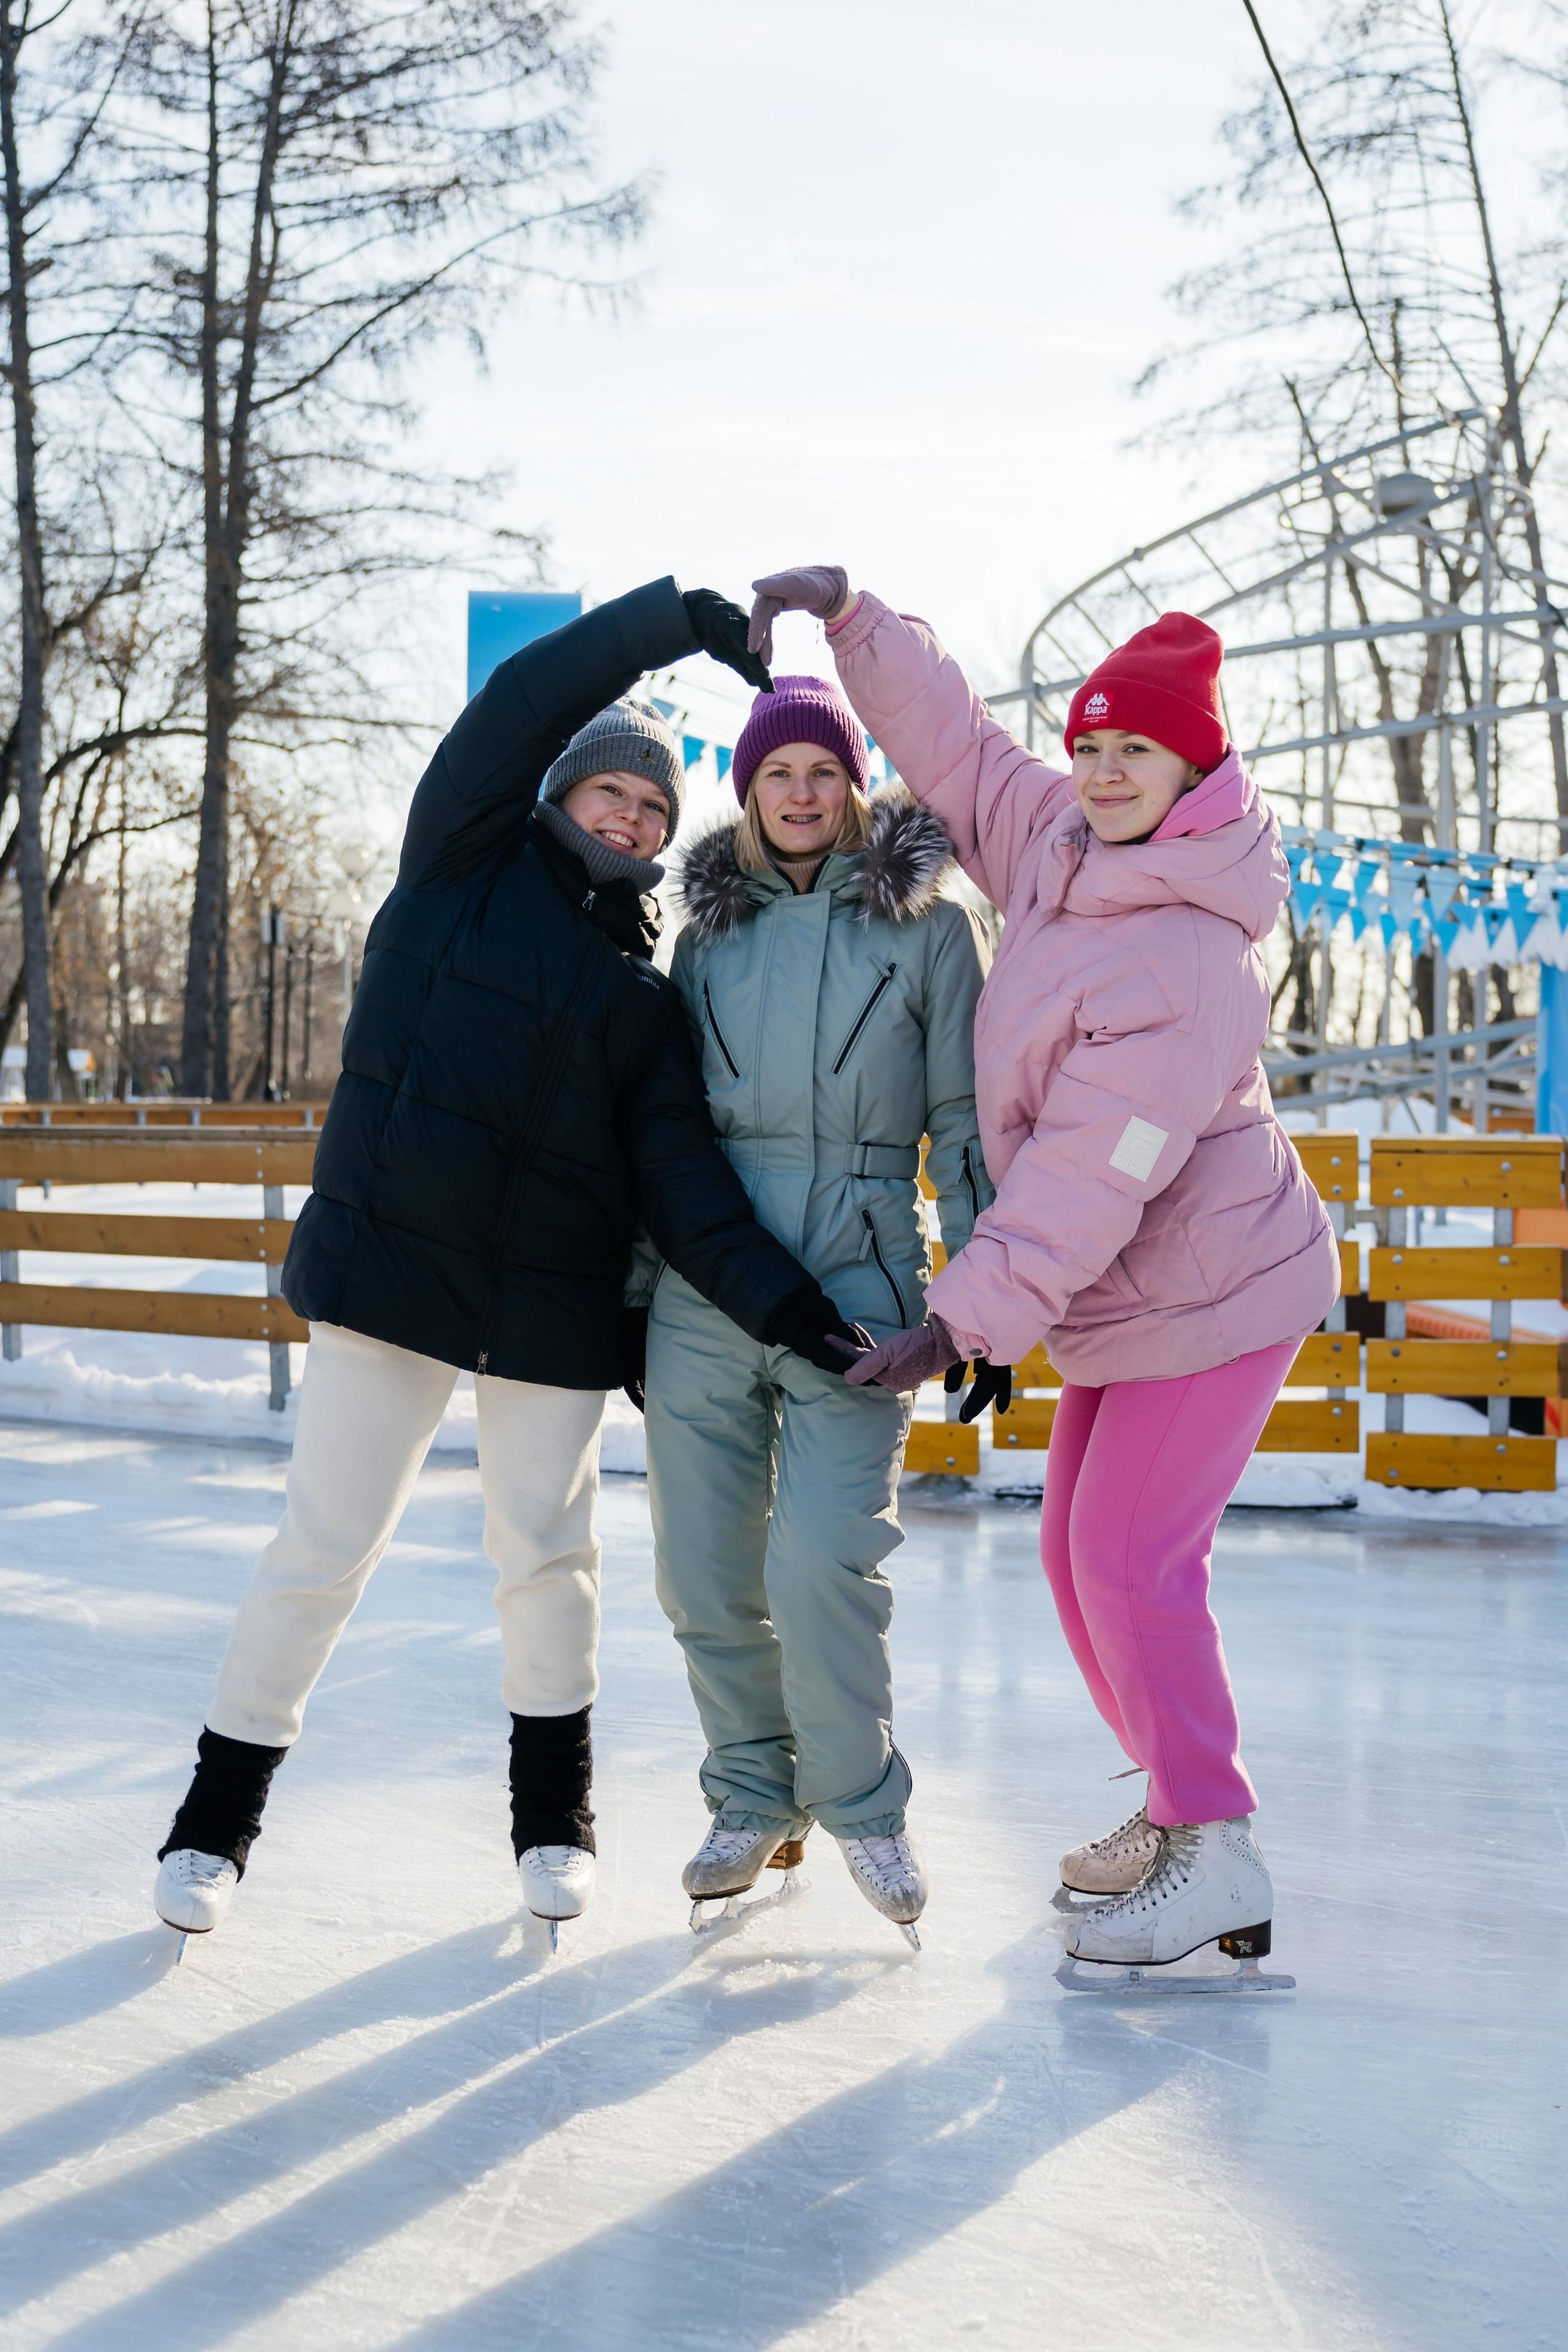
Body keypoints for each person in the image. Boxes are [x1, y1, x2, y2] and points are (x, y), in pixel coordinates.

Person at [153, 580, 867, 1947]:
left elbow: (685, 1189)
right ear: (561, 793)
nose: (633, 820)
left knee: (547, 1555)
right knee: (323, 1548)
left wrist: (787, 1307)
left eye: (656, 812)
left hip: (547, 1309)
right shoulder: (459, 860)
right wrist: (665, 622)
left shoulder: (644, 1003)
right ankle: (212, 1824)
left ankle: (555, 1821)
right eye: (613, 794)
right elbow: (518, 701)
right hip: (389, 1280)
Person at [748, 567, 1337, 1975]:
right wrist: (856, 625)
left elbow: (1083, 1174)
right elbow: (952, 748)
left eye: (1134, 748)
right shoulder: (1061, 848)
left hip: (1215, 1289)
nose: (1102, 769)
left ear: (1195, 767)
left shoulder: (1190, 957)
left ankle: (1215, 1840)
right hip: (1131, 1296)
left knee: (1134, 1560)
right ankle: (1176, 1808)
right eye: (1088, 745)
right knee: (1082, 1565)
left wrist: (962, 1319)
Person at [643, 670, 996, 1947]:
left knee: (821, 1558)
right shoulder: (705, 940)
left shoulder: (930, 931)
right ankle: (751, 1792)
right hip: (707, 1283)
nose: (799, 792)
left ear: (853, 786)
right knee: (699, 1570)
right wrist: (644, 1294)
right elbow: (663, 1137)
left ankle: (858, 1801)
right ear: (745, 793)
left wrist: (978, 1301)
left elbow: (960, 1123)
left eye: (822, 771)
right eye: (775, 773)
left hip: (860, 1288)